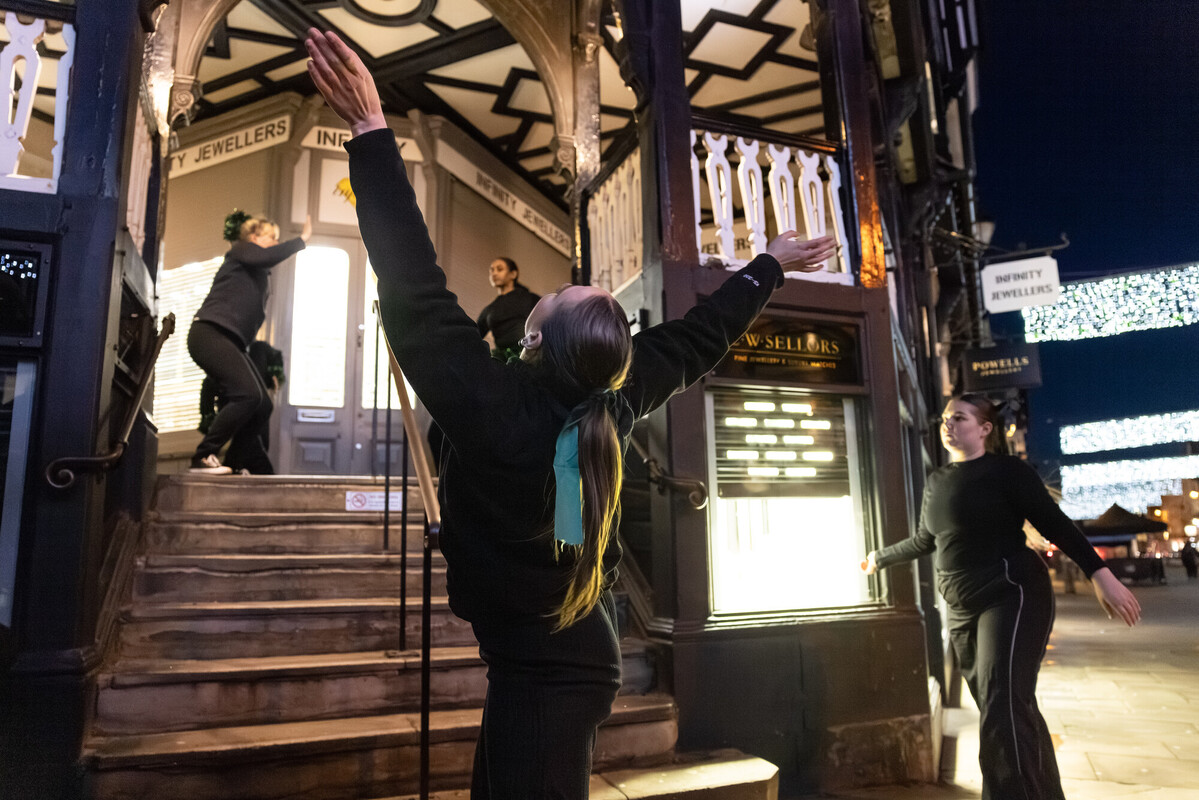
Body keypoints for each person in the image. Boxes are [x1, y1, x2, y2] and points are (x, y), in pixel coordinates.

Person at [304, 27, 836, 800]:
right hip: (553, 659)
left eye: (555, 294)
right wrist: (767, 266)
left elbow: (412, 281)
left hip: (552, 669)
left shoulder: (496, 406)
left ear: (532, 336)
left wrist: (370, 129)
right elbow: (699, 338)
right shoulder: (610, 399)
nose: (557, 285)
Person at [862, 394, 1141, 800]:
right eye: (945, 418)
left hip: (1011, 592)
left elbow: (1055, 524)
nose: (948, 424)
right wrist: (879, 558)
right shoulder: (937, 481)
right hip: (960, 605)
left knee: (1001, 707)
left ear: (985, 429)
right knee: (1008, 707)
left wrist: (1100, 574)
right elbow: (926, 540)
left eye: (959, 417)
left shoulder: (1008, 471)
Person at [187, 210, 310, 474]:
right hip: (210, 333)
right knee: (248, 394)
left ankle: (234, 463)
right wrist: (301, 240)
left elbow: (265, 260)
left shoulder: (256, 270)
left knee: (262, 405)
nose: (276, 243)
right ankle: (203, 455)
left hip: (230, 341)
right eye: (271, 237)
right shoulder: (241, 250)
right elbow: (267, 256)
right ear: (254, 237)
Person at [198, 340, 286, 474]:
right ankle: (234, 467)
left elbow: (208, 385)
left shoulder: (257, 351)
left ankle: (233, 467)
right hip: (243, 410)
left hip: (248, 412)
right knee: (256, 456)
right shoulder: (248, 353)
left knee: (251, 448)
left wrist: (208, 419)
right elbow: (209, 384)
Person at [477, 257, 540, 361]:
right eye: (492, 270)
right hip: (503, 361)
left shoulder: (529, 298)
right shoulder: (489, 310)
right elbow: (475, 335)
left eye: (499, 269)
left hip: (529, 356)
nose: (494, 273)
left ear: (513, 274)